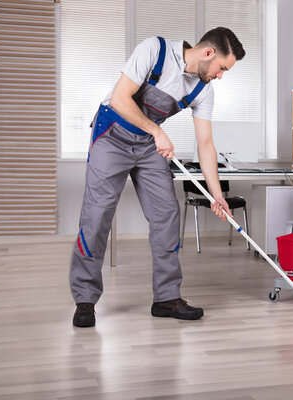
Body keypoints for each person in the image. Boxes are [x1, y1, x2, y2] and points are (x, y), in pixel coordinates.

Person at [70, 27, 245, 328]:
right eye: (222, 68)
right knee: (97, 215)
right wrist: (157, 131)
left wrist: (217, 195)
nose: (220, 76)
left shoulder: (203, 90)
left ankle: (166, 297)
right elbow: (119, 98)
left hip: (148, 145)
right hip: (112, 136)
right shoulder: (155, 50)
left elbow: (205, 145)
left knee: (166, 213)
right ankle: (85, 298)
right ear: (208, 53)